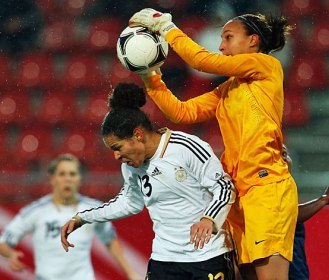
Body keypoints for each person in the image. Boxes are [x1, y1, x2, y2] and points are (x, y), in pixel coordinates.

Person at [130, 8, 298, 280]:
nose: (221, 46)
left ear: (253, 41)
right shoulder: (228, 89)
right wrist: (150, 75)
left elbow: (201, 62)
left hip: (267, 190)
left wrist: (166, 27)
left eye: (228, 37)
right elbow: (181, 113)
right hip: (238, 195)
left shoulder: (266, 66)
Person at [60, 83, 237, 280]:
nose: (117, 156)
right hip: (164, 259)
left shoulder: (185, 148)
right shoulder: (130, 167)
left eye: (118, 147)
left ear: (138, 135)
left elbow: (223, 186)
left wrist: (208, 218)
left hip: (207, 256)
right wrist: (82, 218)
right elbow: (129, 202)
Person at [0, 154, 140, 280]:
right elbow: (3, 243)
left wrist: (130, 273)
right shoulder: (35, 211)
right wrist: (11, 255)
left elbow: (110, 241)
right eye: (62, 174)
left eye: (72, 174)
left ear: (79, 179)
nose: (67, 179)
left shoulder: (93, 210)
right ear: (53, 179)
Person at [281, 145, 329, 280]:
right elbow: (287, 216)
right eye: (280, 156)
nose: (285, 160)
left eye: (285, 154)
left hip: (295, 268)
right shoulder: (265, 189)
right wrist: (324, 199)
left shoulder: (286, 188)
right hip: (285, 269)